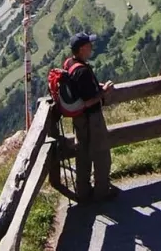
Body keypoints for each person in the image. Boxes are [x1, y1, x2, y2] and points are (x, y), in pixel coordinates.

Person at [67, 32, 118, 203]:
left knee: (83, 153)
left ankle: (83, 191)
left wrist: (97, 87)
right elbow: (88, 101)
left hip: (79, 120)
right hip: (92, 118)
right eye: (89, 45)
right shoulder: (82, 71)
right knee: (101, 153)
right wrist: (104, 92)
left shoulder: (70, 64)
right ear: (82, 49)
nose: (92, 47)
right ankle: (102, 191)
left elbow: (82, 91)